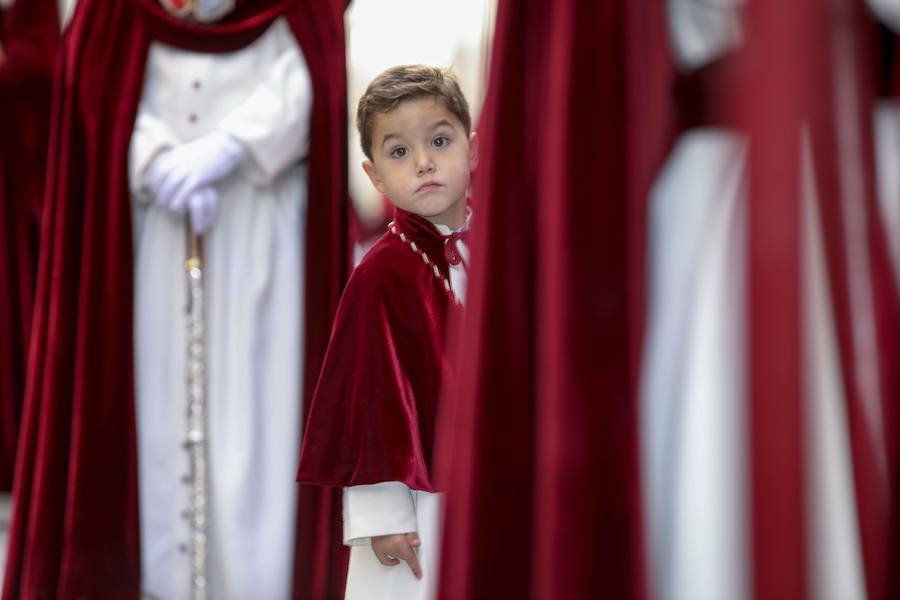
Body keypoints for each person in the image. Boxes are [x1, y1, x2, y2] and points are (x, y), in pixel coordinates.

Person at [2, 0, 349, 597]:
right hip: (149, 232)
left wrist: (234, 146)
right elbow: (91, 84)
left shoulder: (301, 10)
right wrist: (153, 157)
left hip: (262, 232)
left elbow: (310, 80)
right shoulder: (111, 13)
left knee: (259, 415)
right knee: (152, 405)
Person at [297, 64, 477, 600]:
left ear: (473, 147)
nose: (424, 163)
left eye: (439, 141)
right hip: (419, 504)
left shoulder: (512, 245)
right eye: (399, 152)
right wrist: (382, 514)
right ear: (375, 176)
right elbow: (367, 403)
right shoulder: (380, 274)